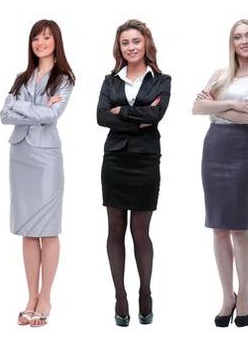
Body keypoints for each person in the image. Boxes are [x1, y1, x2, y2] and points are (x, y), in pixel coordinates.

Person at [192, 19, 248, 328]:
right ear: (231, 42)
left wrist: (214, 105)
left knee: (238, 227)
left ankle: (244, 298)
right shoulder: (219, 75)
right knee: (218, 228)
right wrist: (230, 104)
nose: (244, 40)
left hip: (241, 152)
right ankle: (227, 295)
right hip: (214, 150)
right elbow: (195, 108)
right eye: (238, 36)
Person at [95, 19, 168, 327]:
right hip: (114, 160)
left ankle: (146, 293)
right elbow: (100, 117)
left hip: (145, 161)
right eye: (125, 43)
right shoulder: (111, 80)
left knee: (141, 232)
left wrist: (120, 111)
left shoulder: (162, 80)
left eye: (136, 41)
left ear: (146, 43)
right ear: (119, 48)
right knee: (114, 231)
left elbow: (156, 116)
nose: (131, 47)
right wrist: (137, 118)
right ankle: (120, 296)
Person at [3, 19, 74, 328]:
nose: (40, 43)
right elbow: (4, 114)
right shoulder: (22, 78)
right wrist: (37, 106)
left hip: (46, 158)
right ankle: (30, 296)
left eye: (46, 38)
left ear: (56, 41)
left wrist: (24, 107)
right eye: (36, 38)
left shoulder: (64, 78)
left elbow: (52, 115)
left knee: (48, 228)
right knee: (28, 230)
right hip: (20, 155)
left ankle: (46, 297)